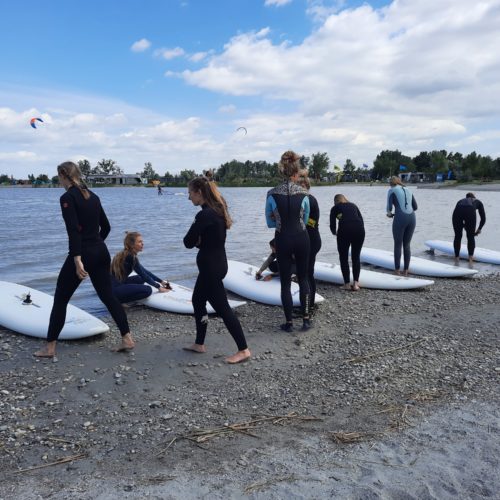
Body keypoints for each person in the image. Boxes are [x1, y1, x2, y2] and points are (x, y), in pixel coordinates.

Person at [34, 161, 134, 358]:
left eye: (58, 177)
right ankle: (127, 338)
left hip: (83, 254)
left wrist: (79, 259)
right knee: (108, 296)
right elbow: (106, 227)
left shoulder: (67, 198)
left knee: (61, 298)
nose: (59, 181)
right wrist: (95, 245)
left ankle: (50, 347)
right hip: (100, 251)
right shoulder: (94, 196)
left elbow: (73, 232)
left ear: (63, 176)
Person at [183, 176, 251, 364]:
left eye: (190, 193)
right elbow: (209, 240)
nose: (189, 198)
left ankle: (243, 349)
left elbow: (187, 242)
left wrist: (198, 241)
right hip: (217, 263)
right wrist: (201, 241)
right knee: (198, 300)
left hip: (211, 267)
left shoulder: (204, 215)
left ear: (199, 192)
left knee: (223, 308)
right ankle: (199, 344)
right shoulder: (218, 210)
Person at [266, 151, 311, 332]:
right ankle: (306, 320)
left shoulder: (271, 193)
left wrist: (278, 219)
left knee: (285, 281)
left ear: (281, 171)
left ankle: (289, 323)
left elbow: (269, 222)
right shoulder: (304, 193)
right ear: (296, 172)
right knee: (303, 278)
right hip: (301, 237)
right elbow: (305, 220)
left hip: (282, 237)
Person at [111, 232, 171, 304]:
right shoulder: (130, 257)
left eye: (142, 241)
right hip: (113, 289)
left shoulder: (127, 254)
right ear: (132, 245)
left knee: (140, 278)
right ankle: (119, 301)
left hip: (117, 284)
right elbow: (144, 275)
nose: (142, 243)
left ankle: (124, 294)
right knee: (148, 290)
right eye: (139, 242)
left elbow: (144, 271)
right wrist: (159, 287)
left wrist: (161, 281)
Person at [330, 194, 365, 291]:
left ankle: (346, 284)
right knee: (356, 257)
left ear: (336, 201)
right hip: (359, 230)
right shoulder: (353, 205)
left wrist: (335, 233)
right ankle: (356, 284)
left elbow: (332, 225)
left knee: (343, 257)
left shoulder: (335, 208)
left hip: (344, 231)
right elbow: (361, 220)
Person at [298, 173, 322, 308]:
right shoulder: (303, 200)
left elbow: (307, 222)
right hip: (308, 239)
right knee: (306, 273)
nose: (298, 188)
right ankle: (308, 304)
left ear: (307, 186)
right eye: (297, 186)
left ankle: (309, 306)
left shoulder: (309, 200)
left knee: (307, 274)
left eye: (301, 186)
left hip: (312, 240)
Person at [386, 176, 418, 276]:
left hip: (400, 218)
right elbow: (415, 207)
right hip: (412, 218)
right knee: (407, 244)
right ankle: (406, 270)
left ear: (391, 183)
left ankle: (397, 270)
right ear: (399, 182)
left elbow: (389, 208)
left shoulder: (391, 190)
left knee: (398, 244)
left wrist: (390, 214)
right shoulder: (409, 189)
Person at [452, 192, 486, 264]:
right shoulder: (478, 202)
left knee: (458, 236)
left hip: (457, 212)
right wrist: (479, 229)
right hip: (470, 212)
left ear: (466, 197)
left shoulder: (460, 201)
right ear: (474, 197)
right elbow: (483, 218)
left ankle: (456, 257)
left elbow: (461, 213)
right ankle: (470, 258)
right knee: (470, 237)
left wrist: (464, 225)